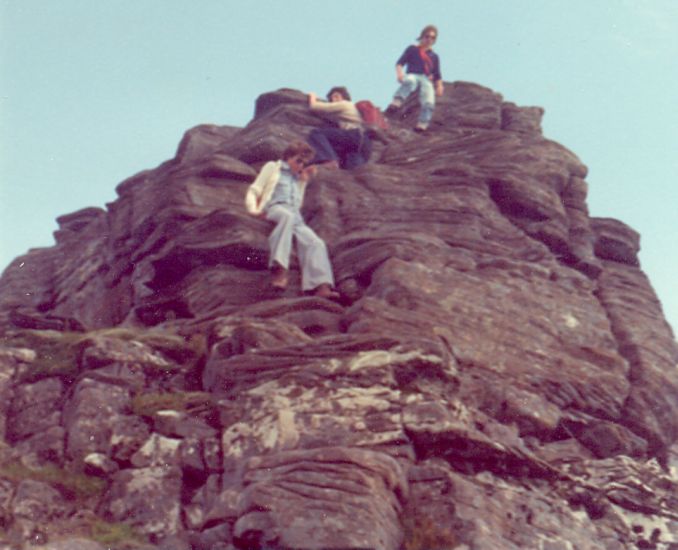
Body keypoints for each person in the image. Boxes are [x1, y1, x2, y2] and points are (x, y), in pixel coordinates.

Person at [245, 141, 340, 300]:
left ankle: (320, 286)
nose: (301, 165)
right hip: (275, 207)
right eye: (298, 160)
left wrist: (303, 180)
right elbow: (255, 189)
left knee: (316, 242)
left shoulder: (298, 178)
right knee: (286, 217)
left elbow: (298, 203)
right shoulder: (273, 167)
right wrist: (254, 210)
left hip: (295, 215)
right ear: (288, 157)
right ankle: (279, 269)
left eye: (304, 162)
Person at [385, 25, 443, 132]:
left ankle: (422, 125)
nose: (429, 39)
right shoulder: (412, 49)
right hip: (413, 74)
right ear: (422, 37)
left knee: (429, 102)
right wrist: (400, 74)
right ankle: (396, 103)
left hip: (426, 79)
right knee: (410, 81)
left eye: (433, 37)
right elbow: (400, 63)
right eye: (427, 36)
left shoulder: (434, 56)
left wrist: (439, 86)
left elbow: (437, 73)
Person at [307, 86, 371, 170]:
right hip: (364, 143)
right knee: (352, 171)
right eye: (332, 98)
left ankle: (329, 160)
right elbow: (325, 114)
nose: (334, 99)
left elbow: (314, 106)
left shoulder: (345, 104)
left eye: (336, 96)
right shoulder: (352, 109)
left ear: (345, 97)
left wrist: (312, 96)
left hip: (354, 135)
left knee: (316, 133)